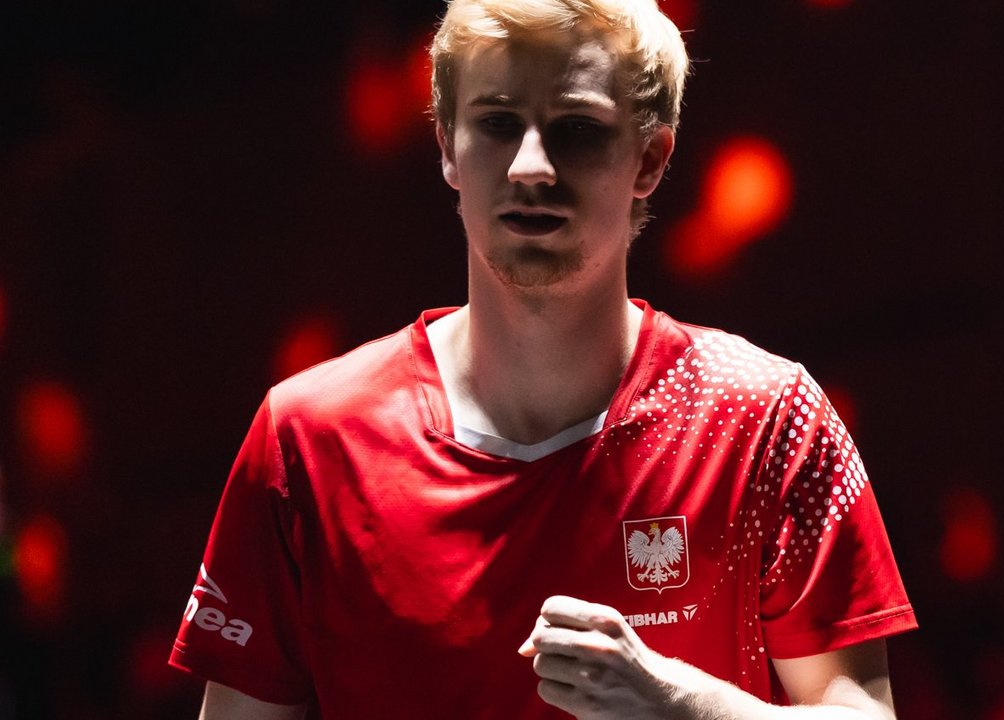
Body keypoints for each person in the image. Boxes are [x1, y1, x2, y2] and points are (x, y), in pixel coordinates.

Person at [167, 0, 917, 717]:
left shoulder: (765, 419)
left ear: (650, 159)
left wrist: (678, 707)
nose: (531, 166)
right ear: (447, 148)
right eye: (496, 123)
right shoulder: (308, 439)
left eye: (577, 128)